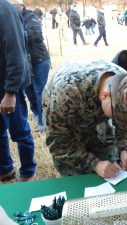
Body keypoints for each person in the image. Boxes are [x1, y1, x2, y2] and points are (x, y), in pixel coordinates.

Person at [43, 60, 127, 178]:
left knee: (108, 167)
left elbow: (126, 126)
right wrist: (95, 164)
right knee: (75, 175)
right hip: (67, 113)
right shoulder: (65, 96)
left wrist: (124, 150)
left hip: (97, 109)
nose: (121, 120)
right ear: (104, 95)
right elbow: (59, 146)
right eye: (117, 116)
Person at [0, 0, 36, 182]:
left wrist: (10, 92)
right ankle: (5, 169)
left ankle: (28, 172)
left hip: (8, 86)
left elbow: (16, 52)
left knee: (20, 131)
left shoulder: (4, 10)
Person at [17, 3, 51, 132]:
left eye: (15, 5)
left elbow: (32, 34)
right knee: (28, 89)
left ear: (21, 5)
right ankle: (36, 112)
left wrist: (13, 34)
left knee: (39, 91)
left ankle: (43, 121)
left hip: (39, 60)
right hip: (25, 62)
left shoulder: (32, 17)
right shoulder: (14, 18)